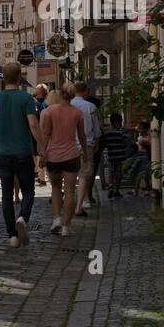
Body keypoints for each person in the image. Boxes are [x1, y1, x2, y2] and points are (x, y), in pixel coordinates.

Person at [0, 62, 44, 247]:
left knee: (6, 195)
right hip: (23, 153)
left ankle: (12, 236)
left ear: (3, 78)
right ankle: (23, 218)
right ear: (19, 77)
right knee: (28, 190)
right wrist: (42, 146)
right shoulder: (26, 99)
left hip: (3, 154)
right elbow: (33, 125)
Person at [41, 85, 87, 237]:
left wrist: (43, 154)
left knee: (55, 188)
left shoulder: (49, 111)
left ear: (61, 94)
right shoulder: (77, 112)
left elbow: (46, 134)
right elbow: (82, 136)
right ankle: (67, 226)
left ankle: (56, 219)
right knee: (69, 192)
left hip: (53, 156)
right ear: (73, 95)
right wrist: (85, 152)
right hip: (71, 156)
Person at [71, 80, 101, 216]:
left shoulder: (68, 106)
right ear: (85, 91)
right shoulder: (90, 107)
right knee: (84, 175)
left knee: (70, 174)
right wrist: (97, 141)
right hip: (86, 144)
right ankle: (82, 203)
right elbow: (96, 129)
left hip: (69, 145)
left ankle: (69, 202)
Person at [99, 113, 131, 198]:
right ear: (116, 122)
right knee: (118, 173)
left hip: (111, 156)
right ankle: (117, 190)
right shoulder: (121, 133)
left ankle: (110, 188)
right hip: (120, 156)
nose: (121, 124)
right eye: (121, 122)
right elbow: (125, 143)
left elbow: (105, 144)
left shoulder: (106, 134)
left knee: (111, 173)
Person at [33, 84, 49, 185]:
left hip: (37, 131)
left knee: (37, 154)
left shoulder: (35, 103)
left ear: (40, 91)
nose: (34, 89)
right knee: (42, 153)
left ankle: (42, 177)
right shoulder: (47, 103)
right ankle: (42, 176)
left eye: (36, 88)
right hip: (46, 131)